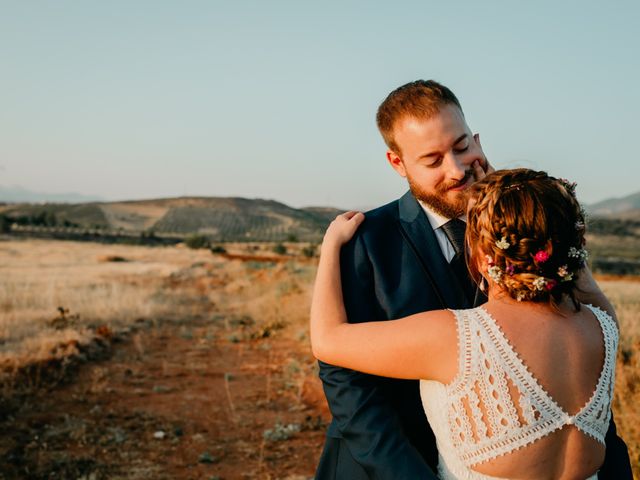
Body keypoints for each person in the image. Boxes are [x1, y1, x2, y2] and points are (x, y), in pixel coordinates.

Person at [313, 80, 631, 479]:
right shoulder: (366, 241)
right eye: (433, 160)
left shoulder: (528, 225)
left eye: (462, 147)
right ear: (397, 163)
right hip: (391, 462)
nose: (457, 169)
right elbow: (345, 380)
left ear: (477, 139)